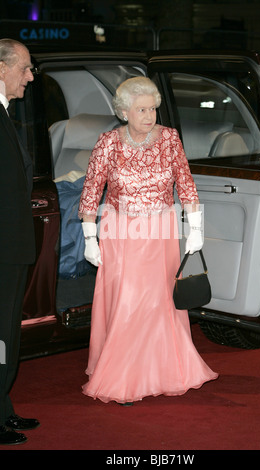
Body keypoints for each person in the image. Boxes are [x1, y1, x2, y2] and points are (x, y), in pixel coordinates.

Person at [79, 76, 218, 406]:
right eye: (142, 109)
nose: (150, 115)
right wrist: (89, 237)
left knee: (159, 302)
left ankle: (166, 369)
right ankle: (124, 373)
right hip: (122, 233)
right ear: (124, 111)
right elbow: (90, 191)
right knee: (128, 302)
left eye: (153, 109)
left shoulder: (169, 139)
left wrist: (196, 229)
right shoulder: (108, 143)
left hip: (161, 232)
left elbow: (186, 185)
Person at [0, 39, 39, 445]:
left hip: (11, 248)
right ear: (2, 68)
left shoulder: (7, 114)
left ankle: (3, 408)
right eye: (25, 68)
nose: (30, 76)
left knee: (7, 331)